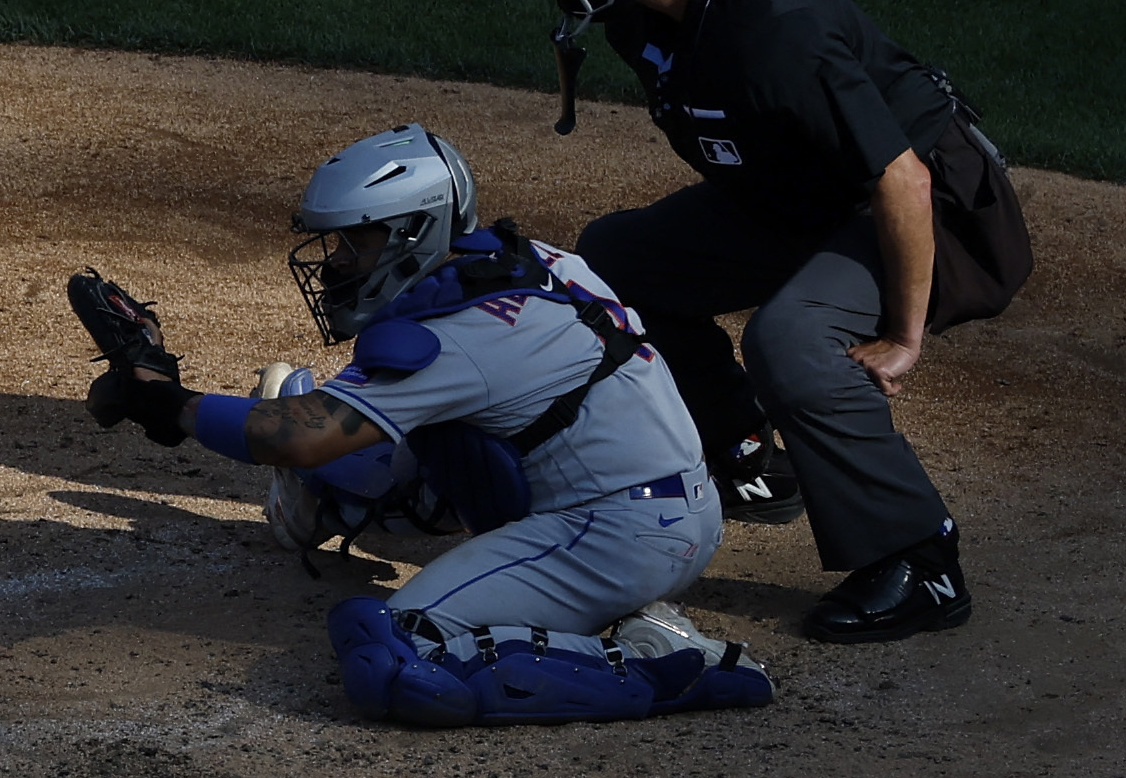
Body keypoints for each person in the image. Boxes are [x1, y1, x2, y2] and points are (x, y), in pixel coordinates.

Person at [72, 124, 772, 727]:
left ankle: (662, 659)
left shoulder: (460, 335)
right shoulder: (532, 261)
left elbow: (297, 434)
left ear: (412, 232)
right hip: (659, 502)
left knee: (397, 655)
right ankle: (332, 499)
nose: (337, 261)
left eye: (355, 243)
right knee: (420, 434)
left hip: (615, 535)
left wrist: (169, 402)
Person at [542, 0, 1007, 643]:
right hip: (804, 198)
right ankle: (748, 455)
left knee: (791, 338)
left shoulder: (776, 28)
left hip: (937, 208)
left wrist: (903, 335)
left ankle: (920, 556)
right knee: (618, 260)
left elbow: (902, 177)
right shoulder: (638, 9)